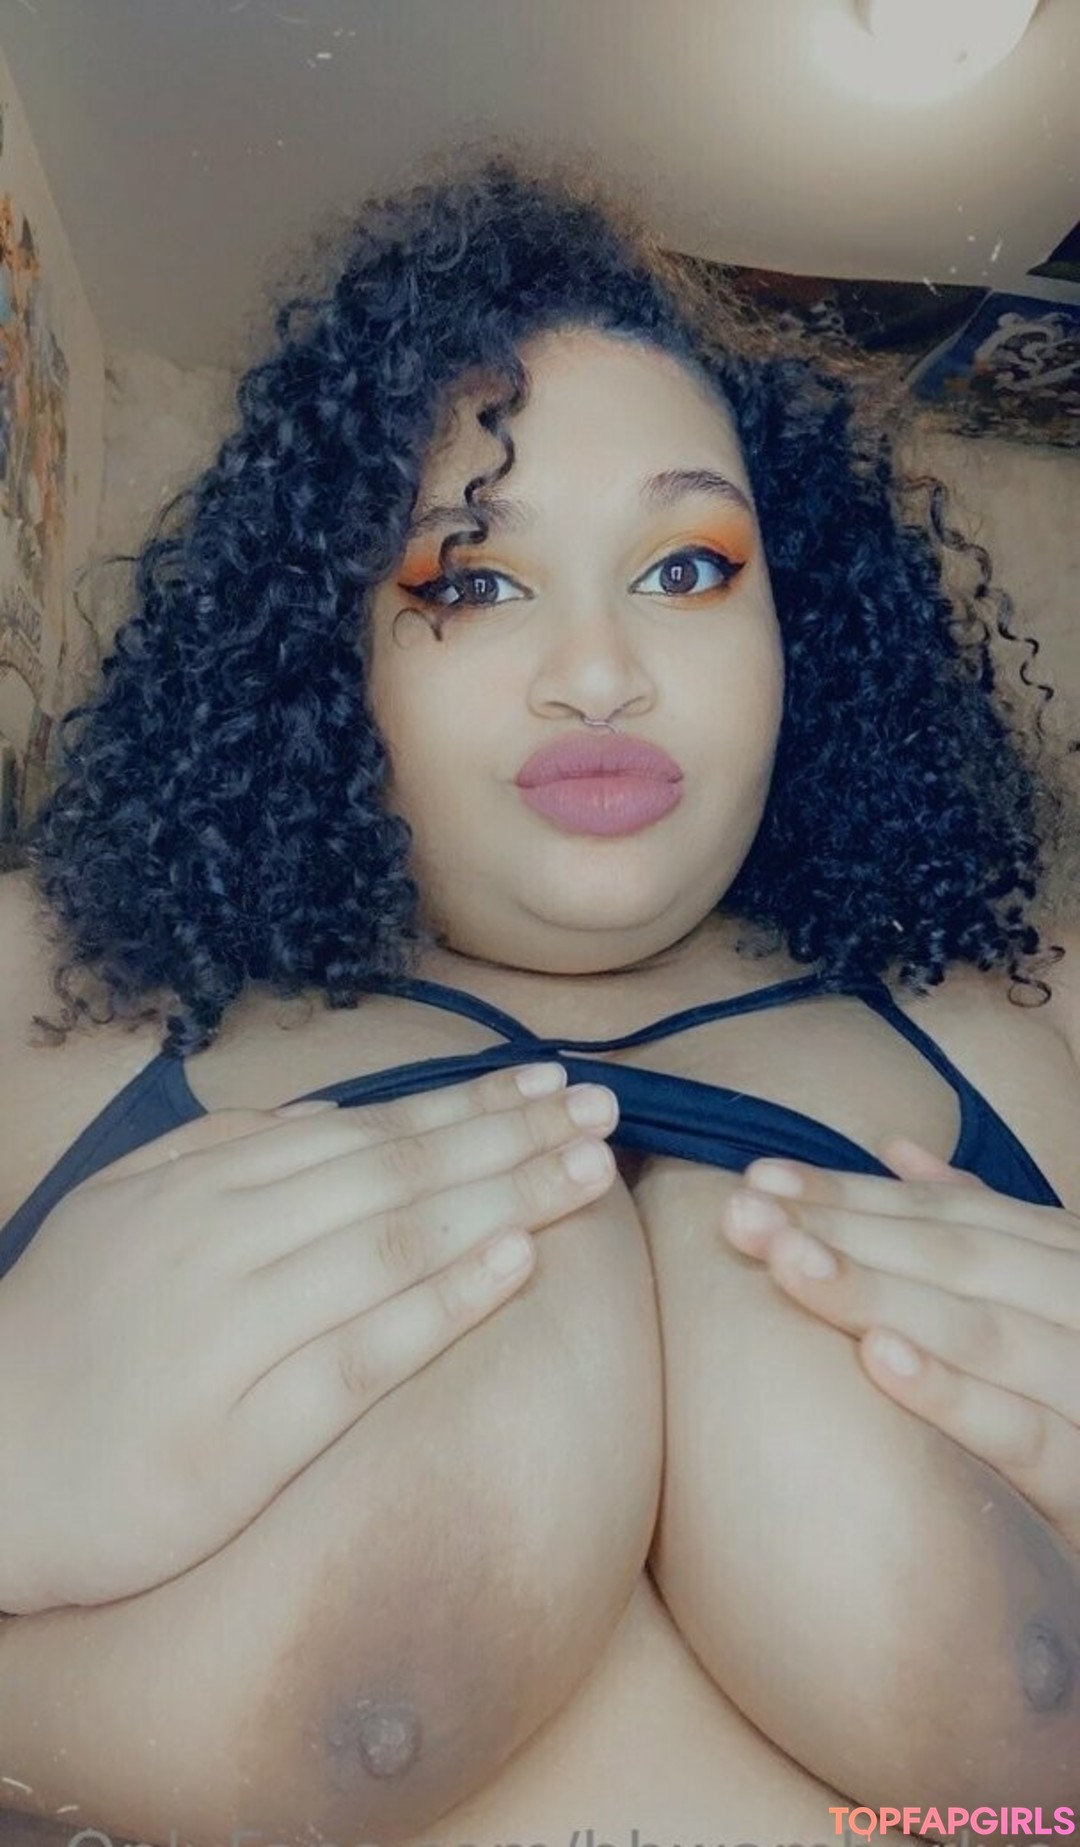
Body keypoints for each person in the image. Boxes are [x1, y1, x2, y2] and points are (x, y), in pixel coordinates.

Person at [0, 143, 1077, 1846]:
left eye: (687, 568)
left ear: (802, 629)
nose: (599, 672)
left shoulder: (1034, 1006)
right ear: (325, 643)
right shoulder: (47, 979)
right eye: (471, 579)